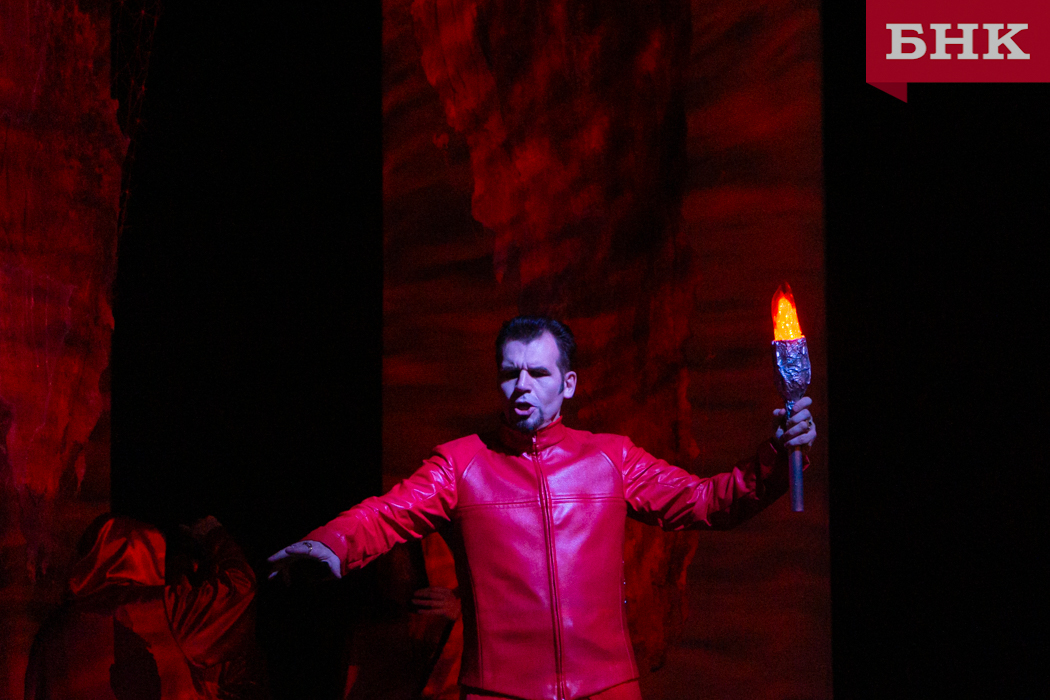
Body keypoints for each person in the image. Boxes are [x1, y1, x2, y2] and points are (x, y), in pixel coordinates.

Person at [269, 316, 816, 700]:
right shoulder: (462, 463)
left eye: (539, 373)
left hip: (607, 689)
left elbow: (706, 501)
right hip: (499, 692)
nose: (522, 386)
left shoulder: (611, 458)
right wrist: (329, 544)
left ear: (568, 383)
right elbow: (388, 512)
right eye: (511, 373)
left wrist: (777, 455)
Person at [25, 514, 264, 700]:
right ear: (149, 552)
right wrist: (215, 535)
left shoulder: (51, 632)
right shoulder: (163, 608)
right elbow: (240, 587)